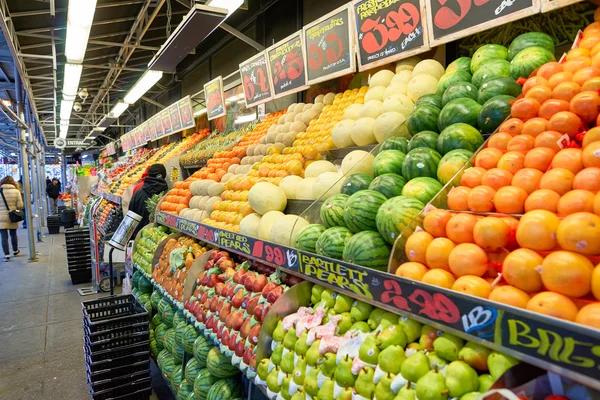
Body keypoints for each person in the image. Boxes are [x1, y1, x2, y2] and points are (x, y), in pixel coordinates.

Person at [128, 164, 168, 238]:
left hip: (139, 238)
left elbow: (130, 218)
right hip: (159, 238)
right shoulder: (168, 195)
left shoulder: (138, 193)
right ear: (162, 175)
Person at [0, 176, 23, 261]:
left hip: (1, 216)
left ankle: (7, 255)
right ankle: (15, 250)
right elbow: (20, 205)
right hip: (12, 216)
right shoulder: (16, 191)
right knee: (13, 234)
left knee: (3, 236)